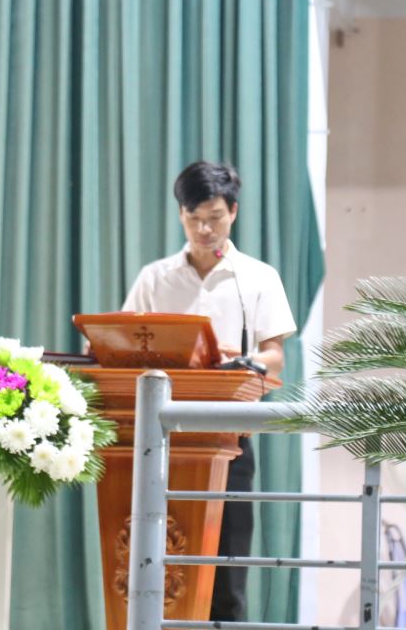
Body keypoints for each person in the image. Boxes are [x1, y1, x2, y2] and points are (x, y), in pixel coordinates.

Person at [122, 160, 296, 621]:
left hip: (228, 439)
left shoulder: (257, 277)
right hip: (159, 442)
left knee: (226, 575)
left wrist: (241, 363)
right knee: (154, 568)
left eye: (214, 217)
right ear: (181, 214)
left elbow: (275, 356)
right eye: (193, 217)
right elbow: (125, 344)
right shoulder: (155, 278)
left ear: (233, 212)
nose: (204, 229)